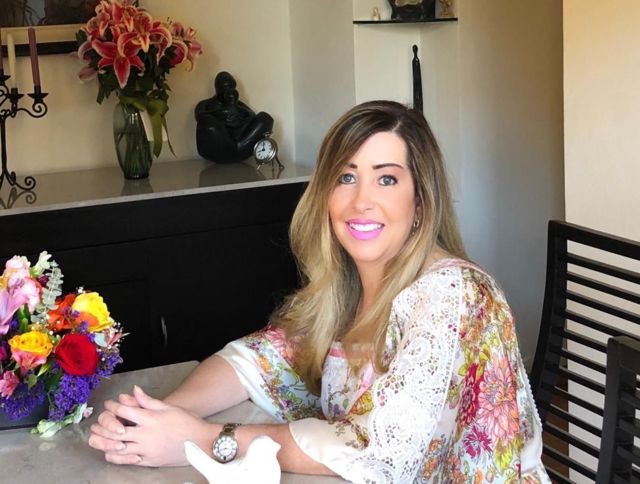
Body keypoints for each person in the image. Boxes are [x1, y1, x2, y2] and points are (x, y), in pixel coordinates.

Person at [89, 100, 549, 483]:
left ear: (421, 201)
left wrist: (204, 439)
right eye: (346, 177)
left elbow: (381, 453)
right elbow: (257, 361)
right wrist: (154, 417)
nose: (361, 200)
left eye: (387, 179)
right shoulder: (345, 288)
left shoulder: (455, 295)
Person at [194, 71, 274, 163]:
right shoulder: (206, 104)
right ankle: (230, 150)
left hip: (243, 141)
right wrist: (223, 112)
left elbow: (252, 115)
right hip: (220, 143)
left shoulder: (238, 104)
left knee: (265, 118)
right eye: (225, 87)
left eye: (231, 87)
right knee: (208, 123)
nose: (228, 90)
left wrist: (236, 108)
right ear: (217, 88)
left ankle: (241, 149)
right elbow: (200, 116)